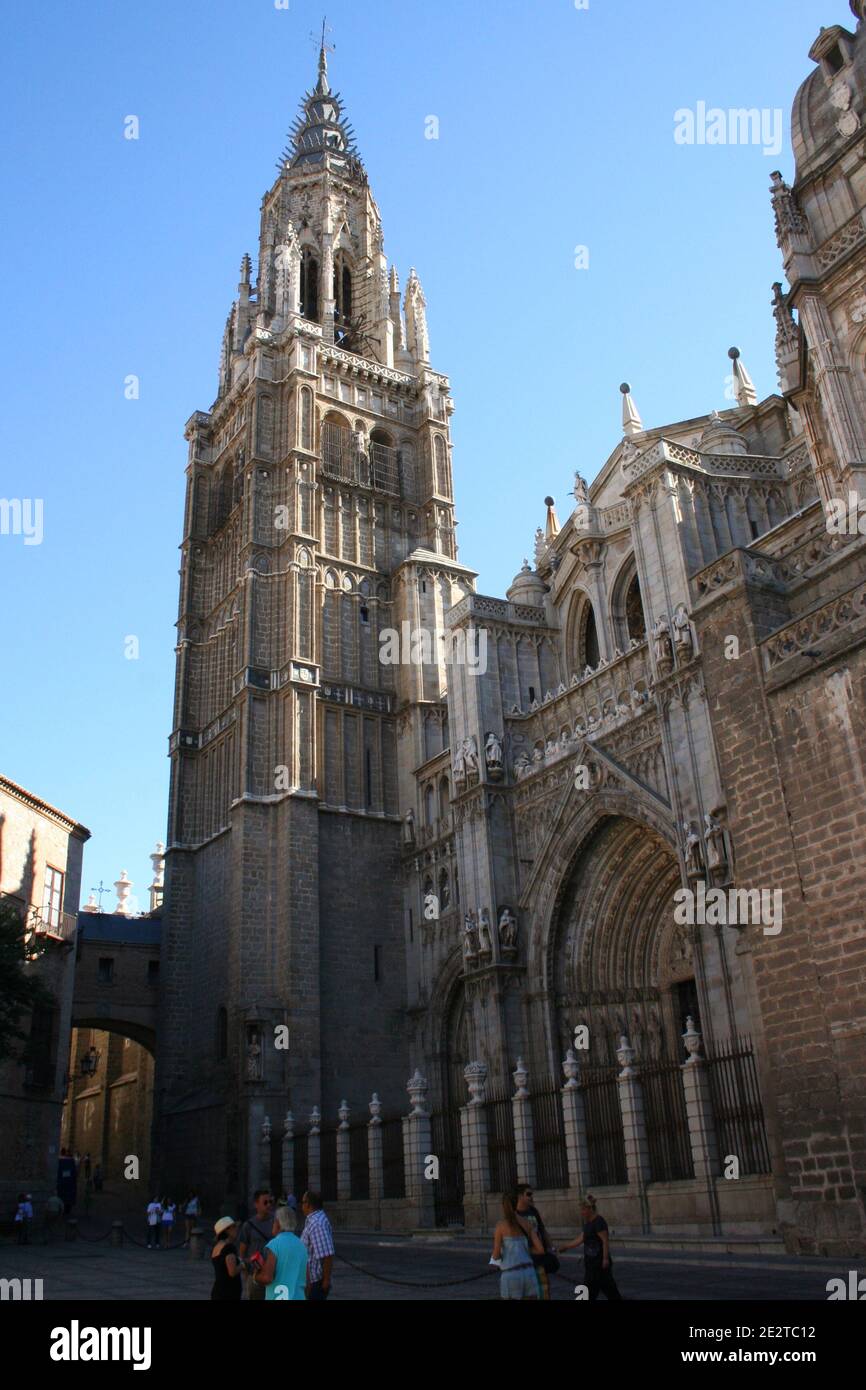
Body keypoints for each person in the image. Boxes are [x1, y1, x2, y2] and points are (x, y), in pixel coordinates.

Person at [559, 1194, 623, 1301]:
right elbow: (581, 1239)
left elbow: (605, 1241)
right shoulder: (588, 1224)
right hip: (591, 1264)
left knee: (596, 1291)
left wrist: (605, 1259)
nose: (582, 1213)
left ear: (590, 1209)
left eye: (583, 1210)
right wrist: (566, 1246)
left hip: (599, 1264)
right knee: (608, 1291)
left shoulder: (599, 1222)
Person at [490, 1191, 544, 1300]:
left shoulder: (500, 1226)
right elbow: (540, 1249)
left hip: (511, 1273)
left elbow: (496, 1255)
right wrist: (523, 1250)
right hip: (529, 1271)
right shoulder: (527, 1223)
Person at [255, 1203, 308, 1301]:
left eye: (274, 1221)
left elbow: (267, 1278)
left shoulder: (274, 1245)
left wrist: (255, 1276)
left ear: (278, 1223)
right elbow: (306, 1279)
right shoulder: (302, 1245)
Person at [515, 1184, 558, 1299]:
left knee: (543, 1291)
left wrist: (552, 1247)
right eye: (528, 1194)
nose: (531, 1197)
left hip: (539, 1258)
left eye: (531, 1194)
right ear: (520, 1196)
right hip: (524, 1259)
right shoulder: (515, 1215)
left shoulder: (533, 1211)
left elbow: (542, 1230)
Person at [238, 1189, 276, 1301]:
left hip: (272, 1274)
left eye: (270, 1202)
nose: (269, 1205)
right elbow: (242, 1252)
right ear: (256, 1204)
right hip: (255, 1275)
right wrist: (246, 1277)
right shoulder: (248, 1226)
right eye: (265, 1202)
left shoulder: (276, 1222)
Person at [300, 1191, 334, 1300]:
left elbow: (327, 1255)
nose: (301, 1206)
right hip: (310, 1281)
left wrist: (326, 1281)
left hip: (315, 1283)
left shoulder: (317, 1224)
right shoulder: (313, 1221)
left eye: (302, 1202)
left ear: (308, 1204)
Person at [211, 1217, 242, 1301]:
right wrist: (243, 1264)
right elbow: (232, 1272)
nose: (237, 1229)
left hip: (218, 1290)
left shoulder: (216, 1247)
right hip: (228, 1292)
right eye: (234, 1227)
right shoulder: (229, 1248)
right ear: (227, 1230)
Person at [57, 1147, 77, 1214]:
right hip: (69, 1184)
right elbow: (74, 1172)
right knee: (68, 1198)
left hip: (61, 1183)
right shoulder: (71, 1161)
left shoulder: (60, 1160)